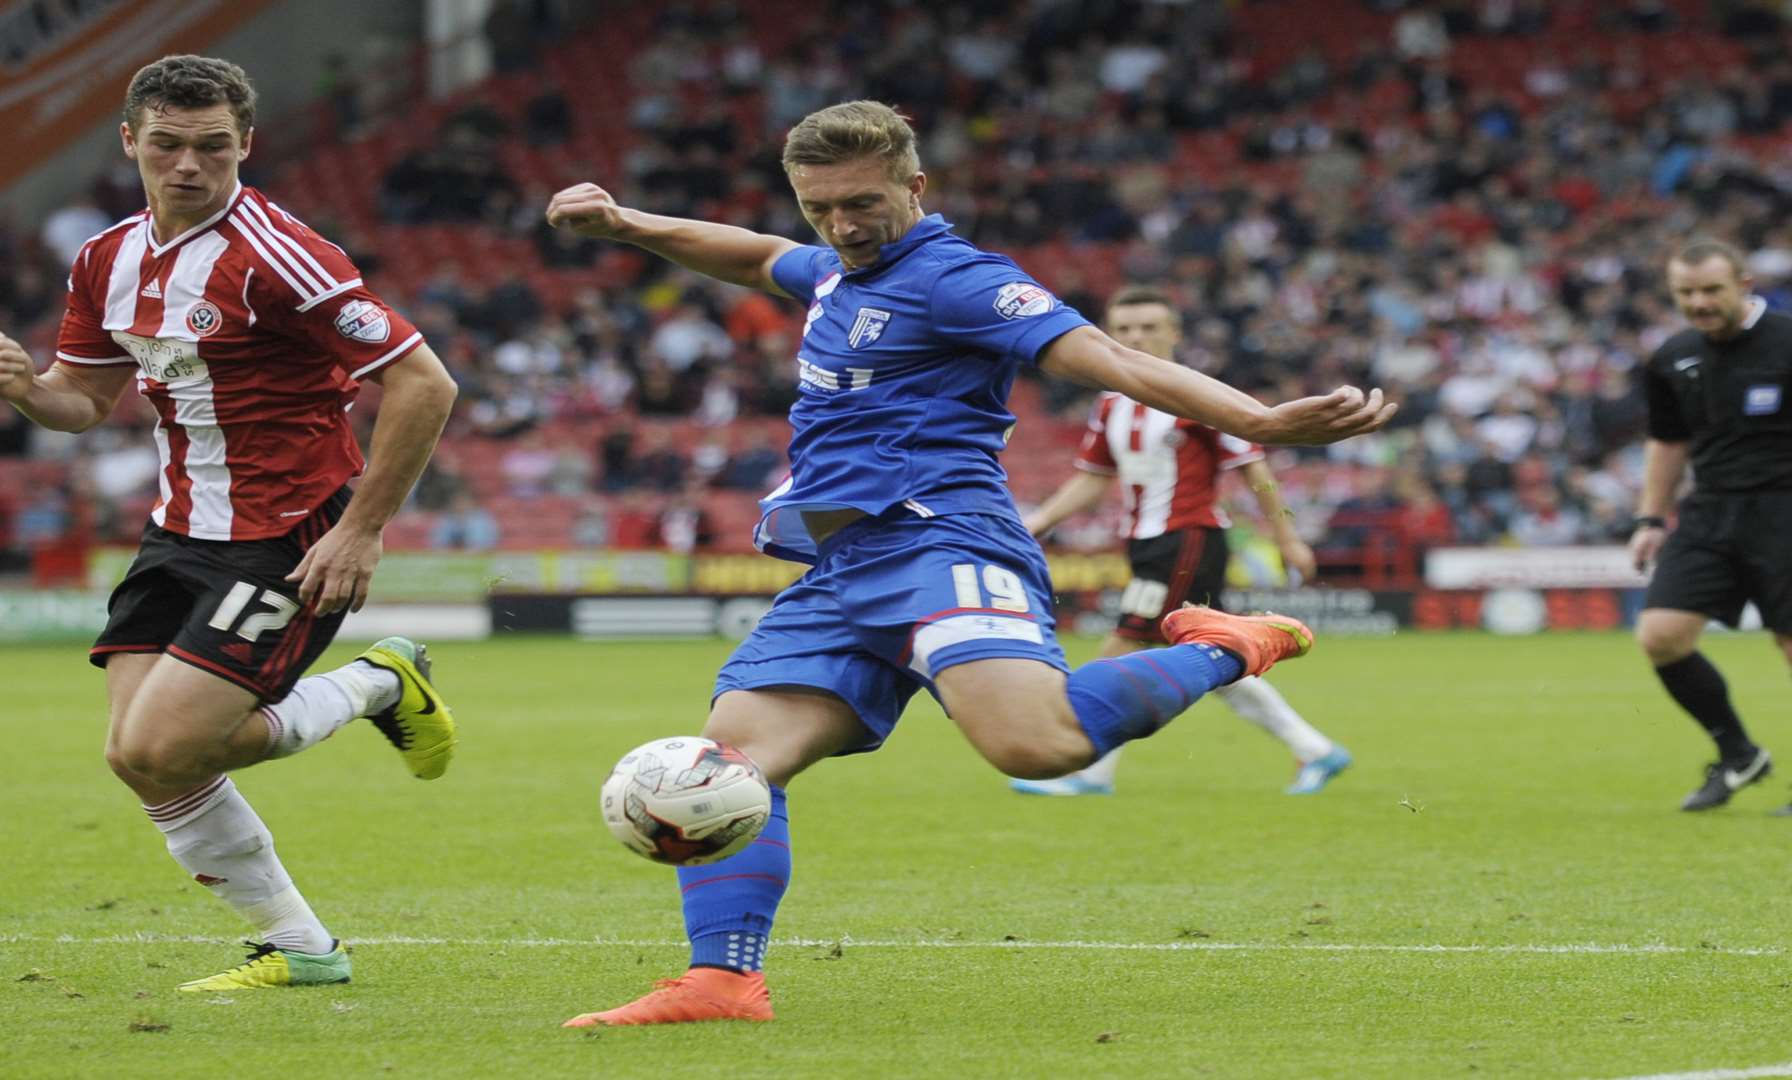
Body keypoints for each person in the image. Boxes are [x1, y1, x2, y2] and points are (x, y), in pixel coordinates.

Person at [544, 100, 1393, 1027]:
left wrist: (1259, 420)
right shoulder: (835, 269)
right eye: (819, 206)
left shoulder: (959, 279)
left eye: (863, 203)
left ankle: (1232, 644)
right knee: (734, 761)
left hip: (941, 539)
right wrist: (629, 224)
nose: (842, 224)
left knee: (1036, 746)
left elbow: (1104, 356)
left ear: (916, 186)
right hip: (844, 559)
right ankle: (722, 982)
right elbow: (749, 254)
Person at [0, 55, 460, 991]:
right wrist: (28, 393)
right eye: (167, 144)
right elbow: (83, 397)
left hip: (288, 530)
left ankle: (375, 685)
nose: (188, 165)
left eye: (210, 146)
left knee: (164, 746)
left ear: (246, 144)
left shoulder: (281, 255)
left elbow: (423, 382)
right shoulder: (105, 256)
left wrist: (359, 530)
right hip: (179, 530)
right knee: (141, 759)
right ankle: (305, 949)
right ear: (131, 143)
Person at [1011, 286, 1351, 798]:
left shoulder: (1196, 394)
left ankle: (1090, 771)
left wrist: (1287, 537)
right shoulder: (1110, 404)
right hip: (1147, 542)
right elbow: (1094, 477)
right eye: (1124, 329)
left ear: (1175, 333)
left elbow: (1254, 468)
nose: (1136, 338)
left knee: (1120, 649)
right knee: (1214, 654)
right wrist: (1035, 523)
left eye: (1149, 327)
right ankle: (1316, 750)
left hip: (1188, 538)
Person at [1631, 238, 1792, 814]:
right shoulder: (1673, 356)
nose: (1699, 302)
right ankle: (1738, 752)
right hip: (1711, 510)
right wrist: (1651, 517)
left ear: (1744, 285)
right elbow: (1668, 441)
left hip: (1785, 510)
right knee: (1661, 635)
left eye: (1711, 290)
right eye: (1686, 293)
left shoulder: (1787, 341)